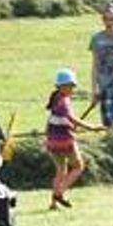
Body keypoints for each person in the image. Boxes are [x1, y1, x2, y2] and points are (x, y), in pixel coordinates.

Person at [45, 68, 84, 208]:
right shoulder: (64, 101)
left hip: (51, 141)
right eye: (70, 86)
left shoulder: (55, 98)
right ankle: (59, 193)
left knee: (61, 171)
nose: (72, 89)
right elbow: (72, 118)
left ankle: (53, 204)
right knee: (78, 167)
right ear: (62, 86)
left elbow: (56, 121)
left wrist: (70, 126)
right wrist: (93, 127)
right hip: (65, 141)